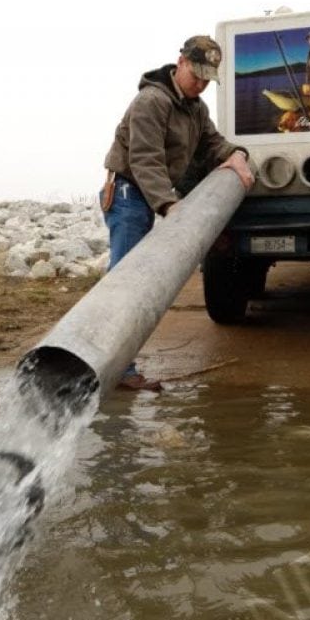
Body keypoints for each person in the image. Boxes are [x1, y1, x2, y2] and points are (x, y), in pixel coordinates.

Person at [101, 35, 254, 390]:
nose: (200, 83)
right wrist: (169, 204)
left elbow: (212, 142)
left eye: (206, 78)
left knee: (133, 279)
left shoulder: (195, 108)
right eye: (196, 74)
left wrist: (237, 154)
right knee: (125, 283)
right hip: (128, 193)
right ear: (181, 61)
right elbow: (145, 159)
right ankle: (116, 370)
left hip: (147, 195)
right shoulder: (151, 102)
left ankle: (117, 365)